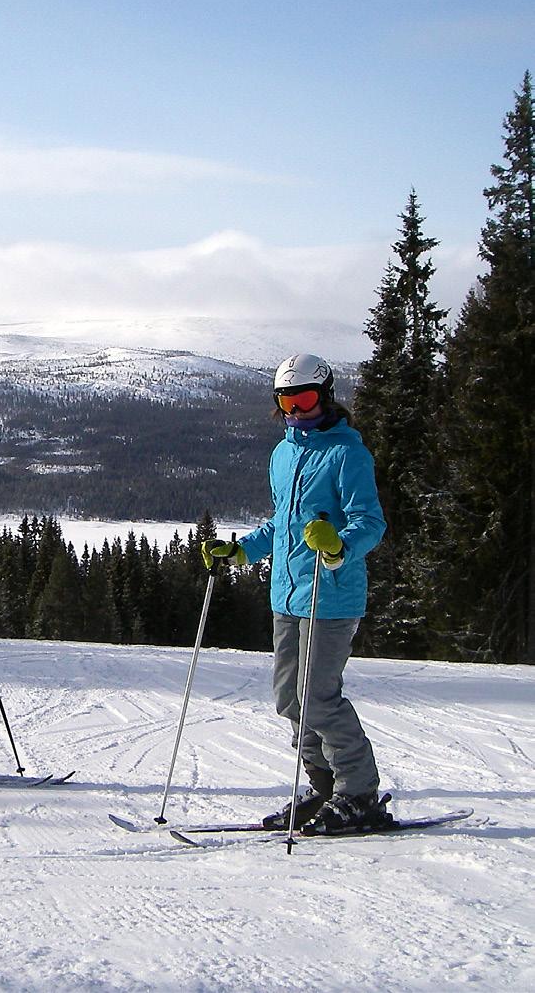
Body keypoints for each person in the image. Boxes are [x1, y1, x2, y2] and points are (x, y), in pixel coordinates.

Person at [202, 353, 387, 835]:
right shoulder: (283, 454)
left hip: (332, 594)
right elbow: (280, 525)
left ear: (325, 397)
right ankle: (325, 788)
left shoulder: (348, 453)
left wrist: (339, 546)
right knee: (290, 699)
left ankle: (359, 793)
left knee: (318, 696)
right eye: (287, 400)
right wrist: (241, 550)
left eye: (305, 399)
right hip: (287, 595)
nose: (297, 410)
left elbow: (370, 522)